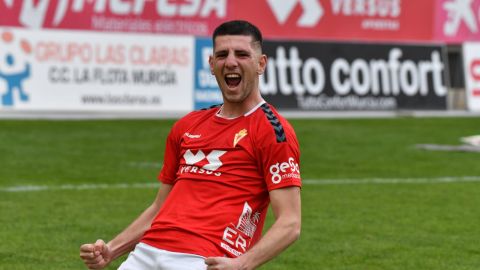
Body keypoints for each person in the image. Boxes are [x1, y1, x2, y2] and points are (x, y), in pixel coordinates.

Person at [80, 20, 302, 270]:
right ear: (211, 64)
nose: (230, 62)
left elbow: (290, 223)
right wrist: (112, 249)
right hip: (146, 253)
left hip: (202, 259)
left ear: (261, 63)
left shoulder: (273, 131)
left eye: (241, 54)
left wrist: (243, 263)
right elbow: (159, 207)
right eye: (222, 55)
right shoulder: (187, 125)